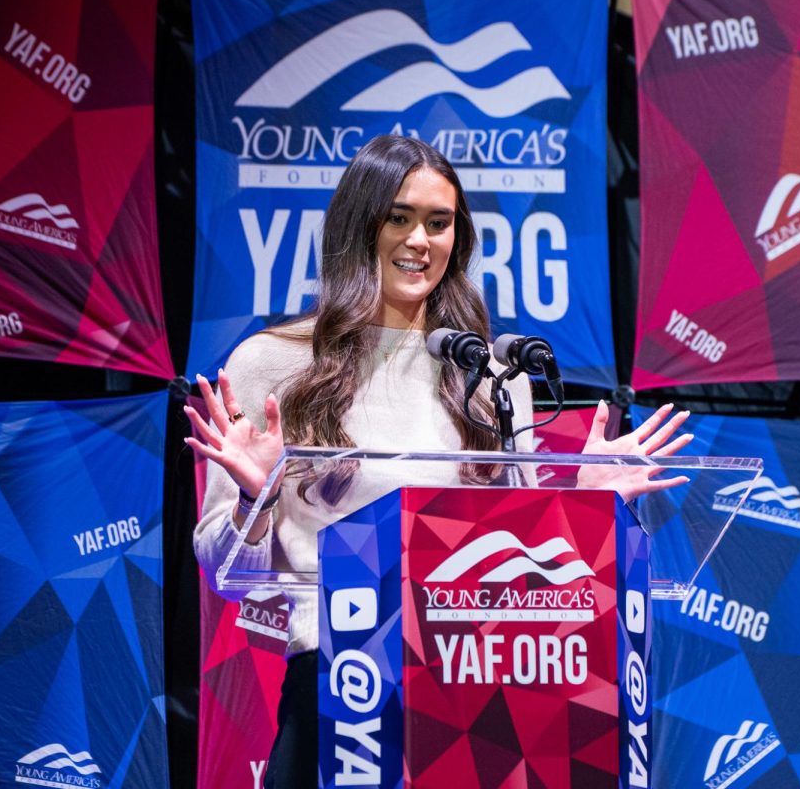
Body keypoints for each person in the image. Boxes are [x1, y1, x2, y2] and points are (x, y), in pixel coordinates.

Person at [184, 134, 690, 787]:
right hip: (340, 692)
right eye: (400, 216)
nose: (420, 240)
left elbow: (515, 573)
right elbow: (226, 574)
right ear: (358, 225)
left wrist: (576, 503)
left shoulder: (491, 377)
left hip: (469, 696)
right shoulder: (275, 364)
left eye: (439, 222)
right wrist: (256, 500)